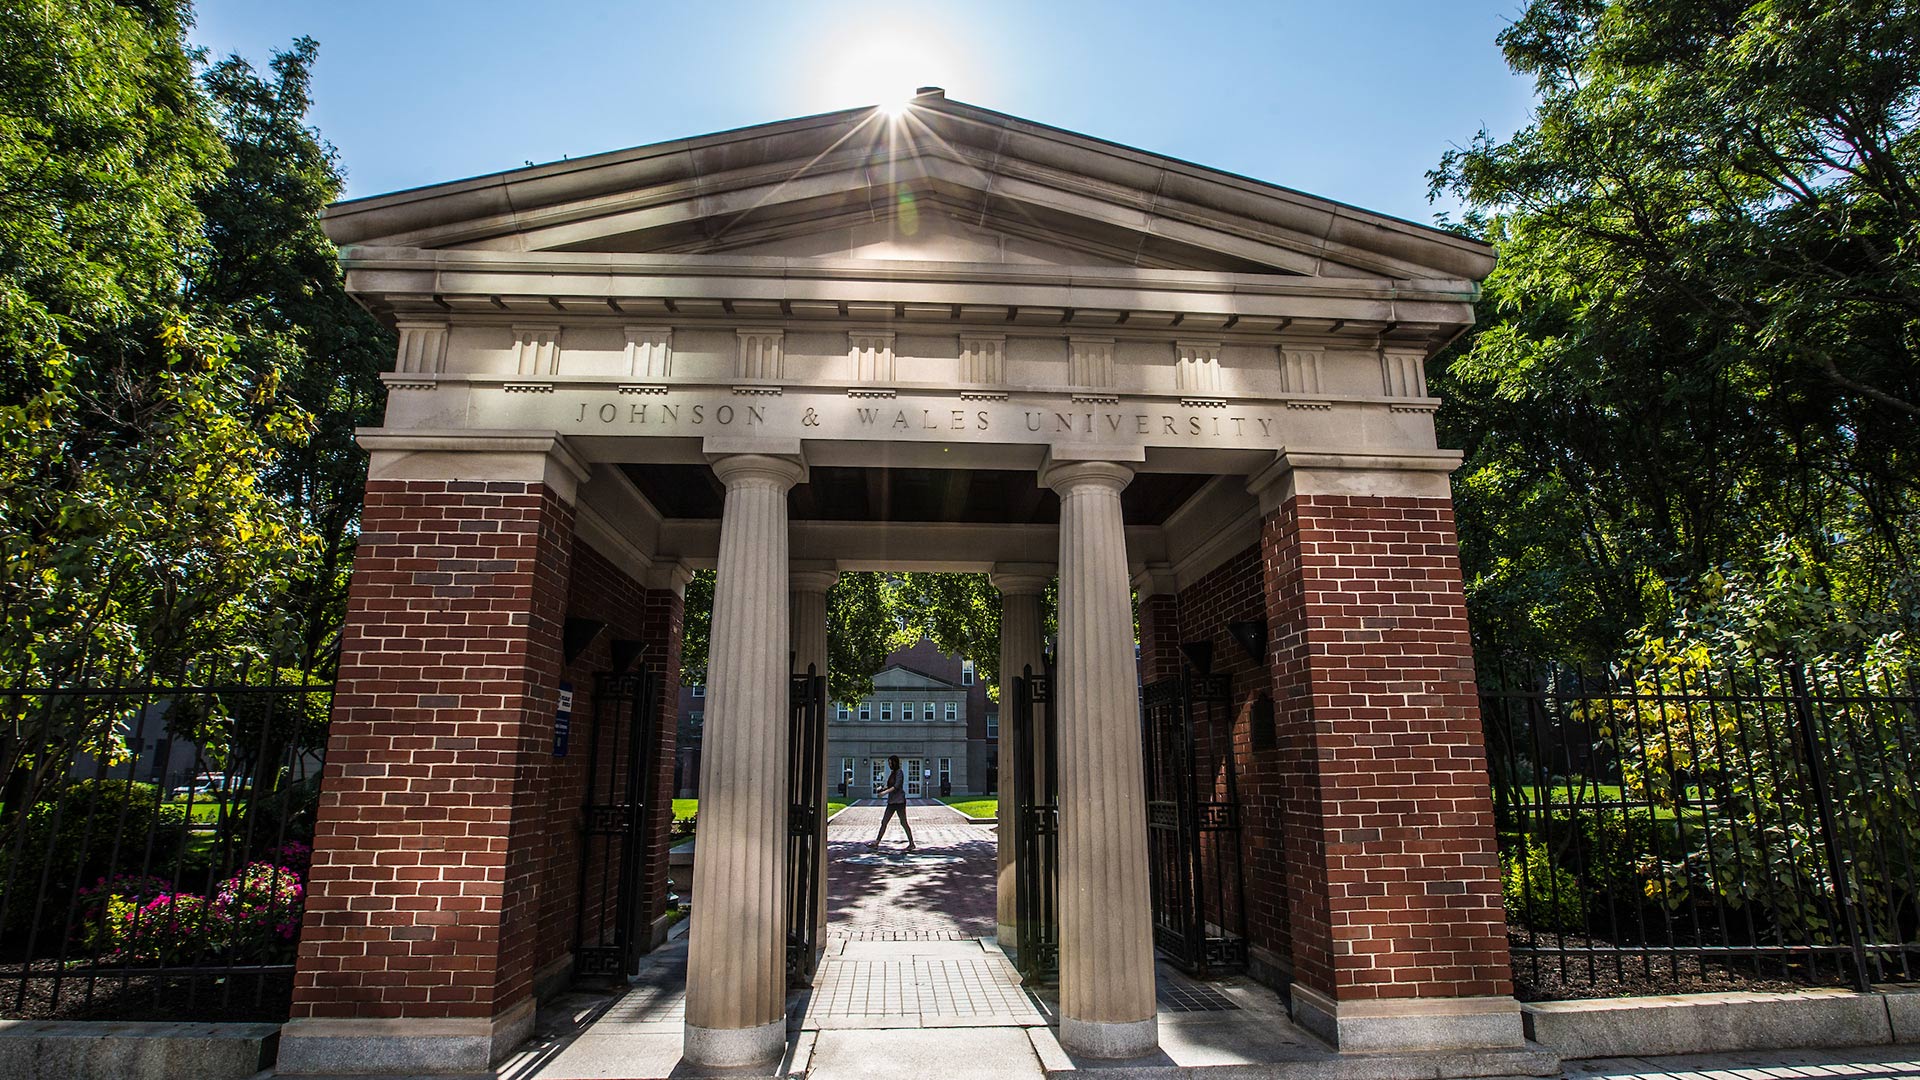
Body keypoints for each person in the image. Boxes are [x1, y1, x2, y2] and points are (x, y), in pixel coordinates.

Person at [869, 754, 916, 852]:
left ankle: (911, 843)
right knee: (884, 821)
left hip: (899, 802)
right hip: (891, 802)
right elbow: (890, 785)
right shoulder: (892, 773)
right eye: (889, 763)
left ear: (895, 763)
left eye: (891, 763)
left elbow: (897, 786)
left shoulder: (899, 772)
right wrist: (882, 789)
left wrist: (884, 793)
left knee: (903, 822)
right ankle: (876, 843)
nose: (890, 765)